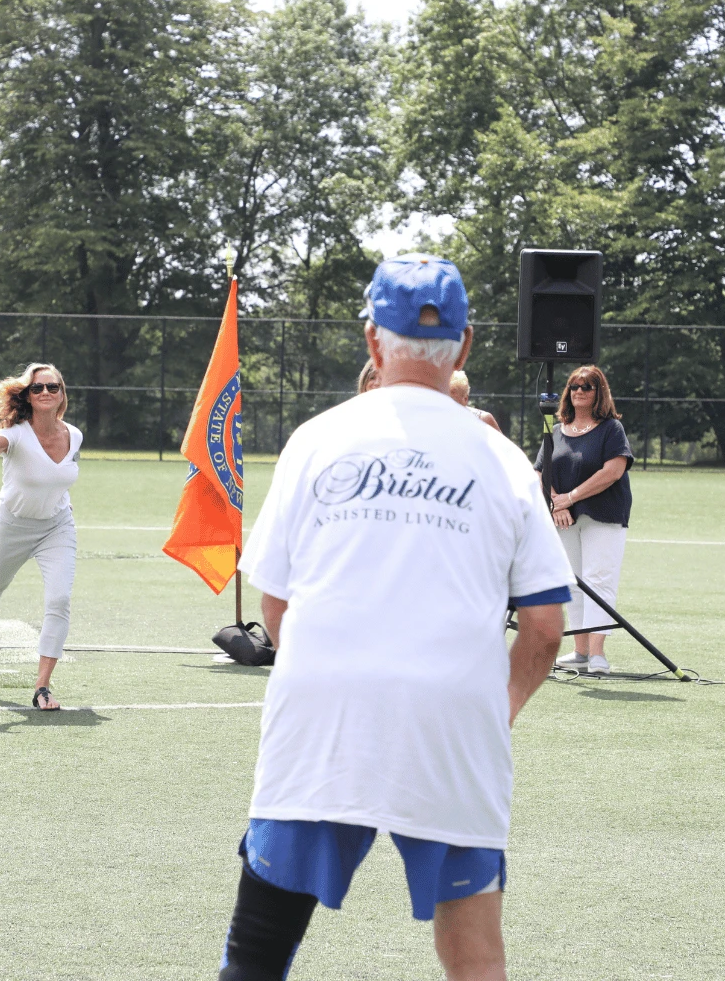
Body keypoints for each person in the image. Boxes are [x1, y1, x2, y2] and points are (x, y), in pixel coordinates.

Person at [218, 254, 574, 981]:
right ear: (465, 346)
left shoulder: (315, 440)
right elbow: (544, 627)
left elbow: (274, 600)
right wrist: (492, 708)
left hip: (323, 719)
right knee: (475, 956)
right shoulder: (506, 461)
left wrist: (326, 669)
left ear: (373, 341)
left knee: (257, 953)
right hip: (452, 723)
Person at [0, 363, 82, 711]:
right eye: (37, 388)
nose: (45, 393)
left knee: (59, 600)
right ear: (27, 394)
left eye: (52, 387)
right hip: (14, 525)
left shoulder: (75, 435)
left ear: (61, 394)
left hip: (57, 526)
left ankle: (42, 687)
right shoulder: (15, 434)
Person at [534, 366, 632, 676]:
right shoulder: (557, 429)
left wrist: (570, 497)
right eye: (574, 386)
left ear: (598, 392)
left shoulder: (611, 429)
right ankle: (579, 651)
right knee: (572, 581)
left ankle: (598, 654)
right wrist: (555, 503)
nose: (579, 391)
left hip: (603, 514)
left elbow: (612, 471)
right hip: (563, 516)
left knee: (598, 579)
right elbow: (539, 471)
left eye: (587, 386)